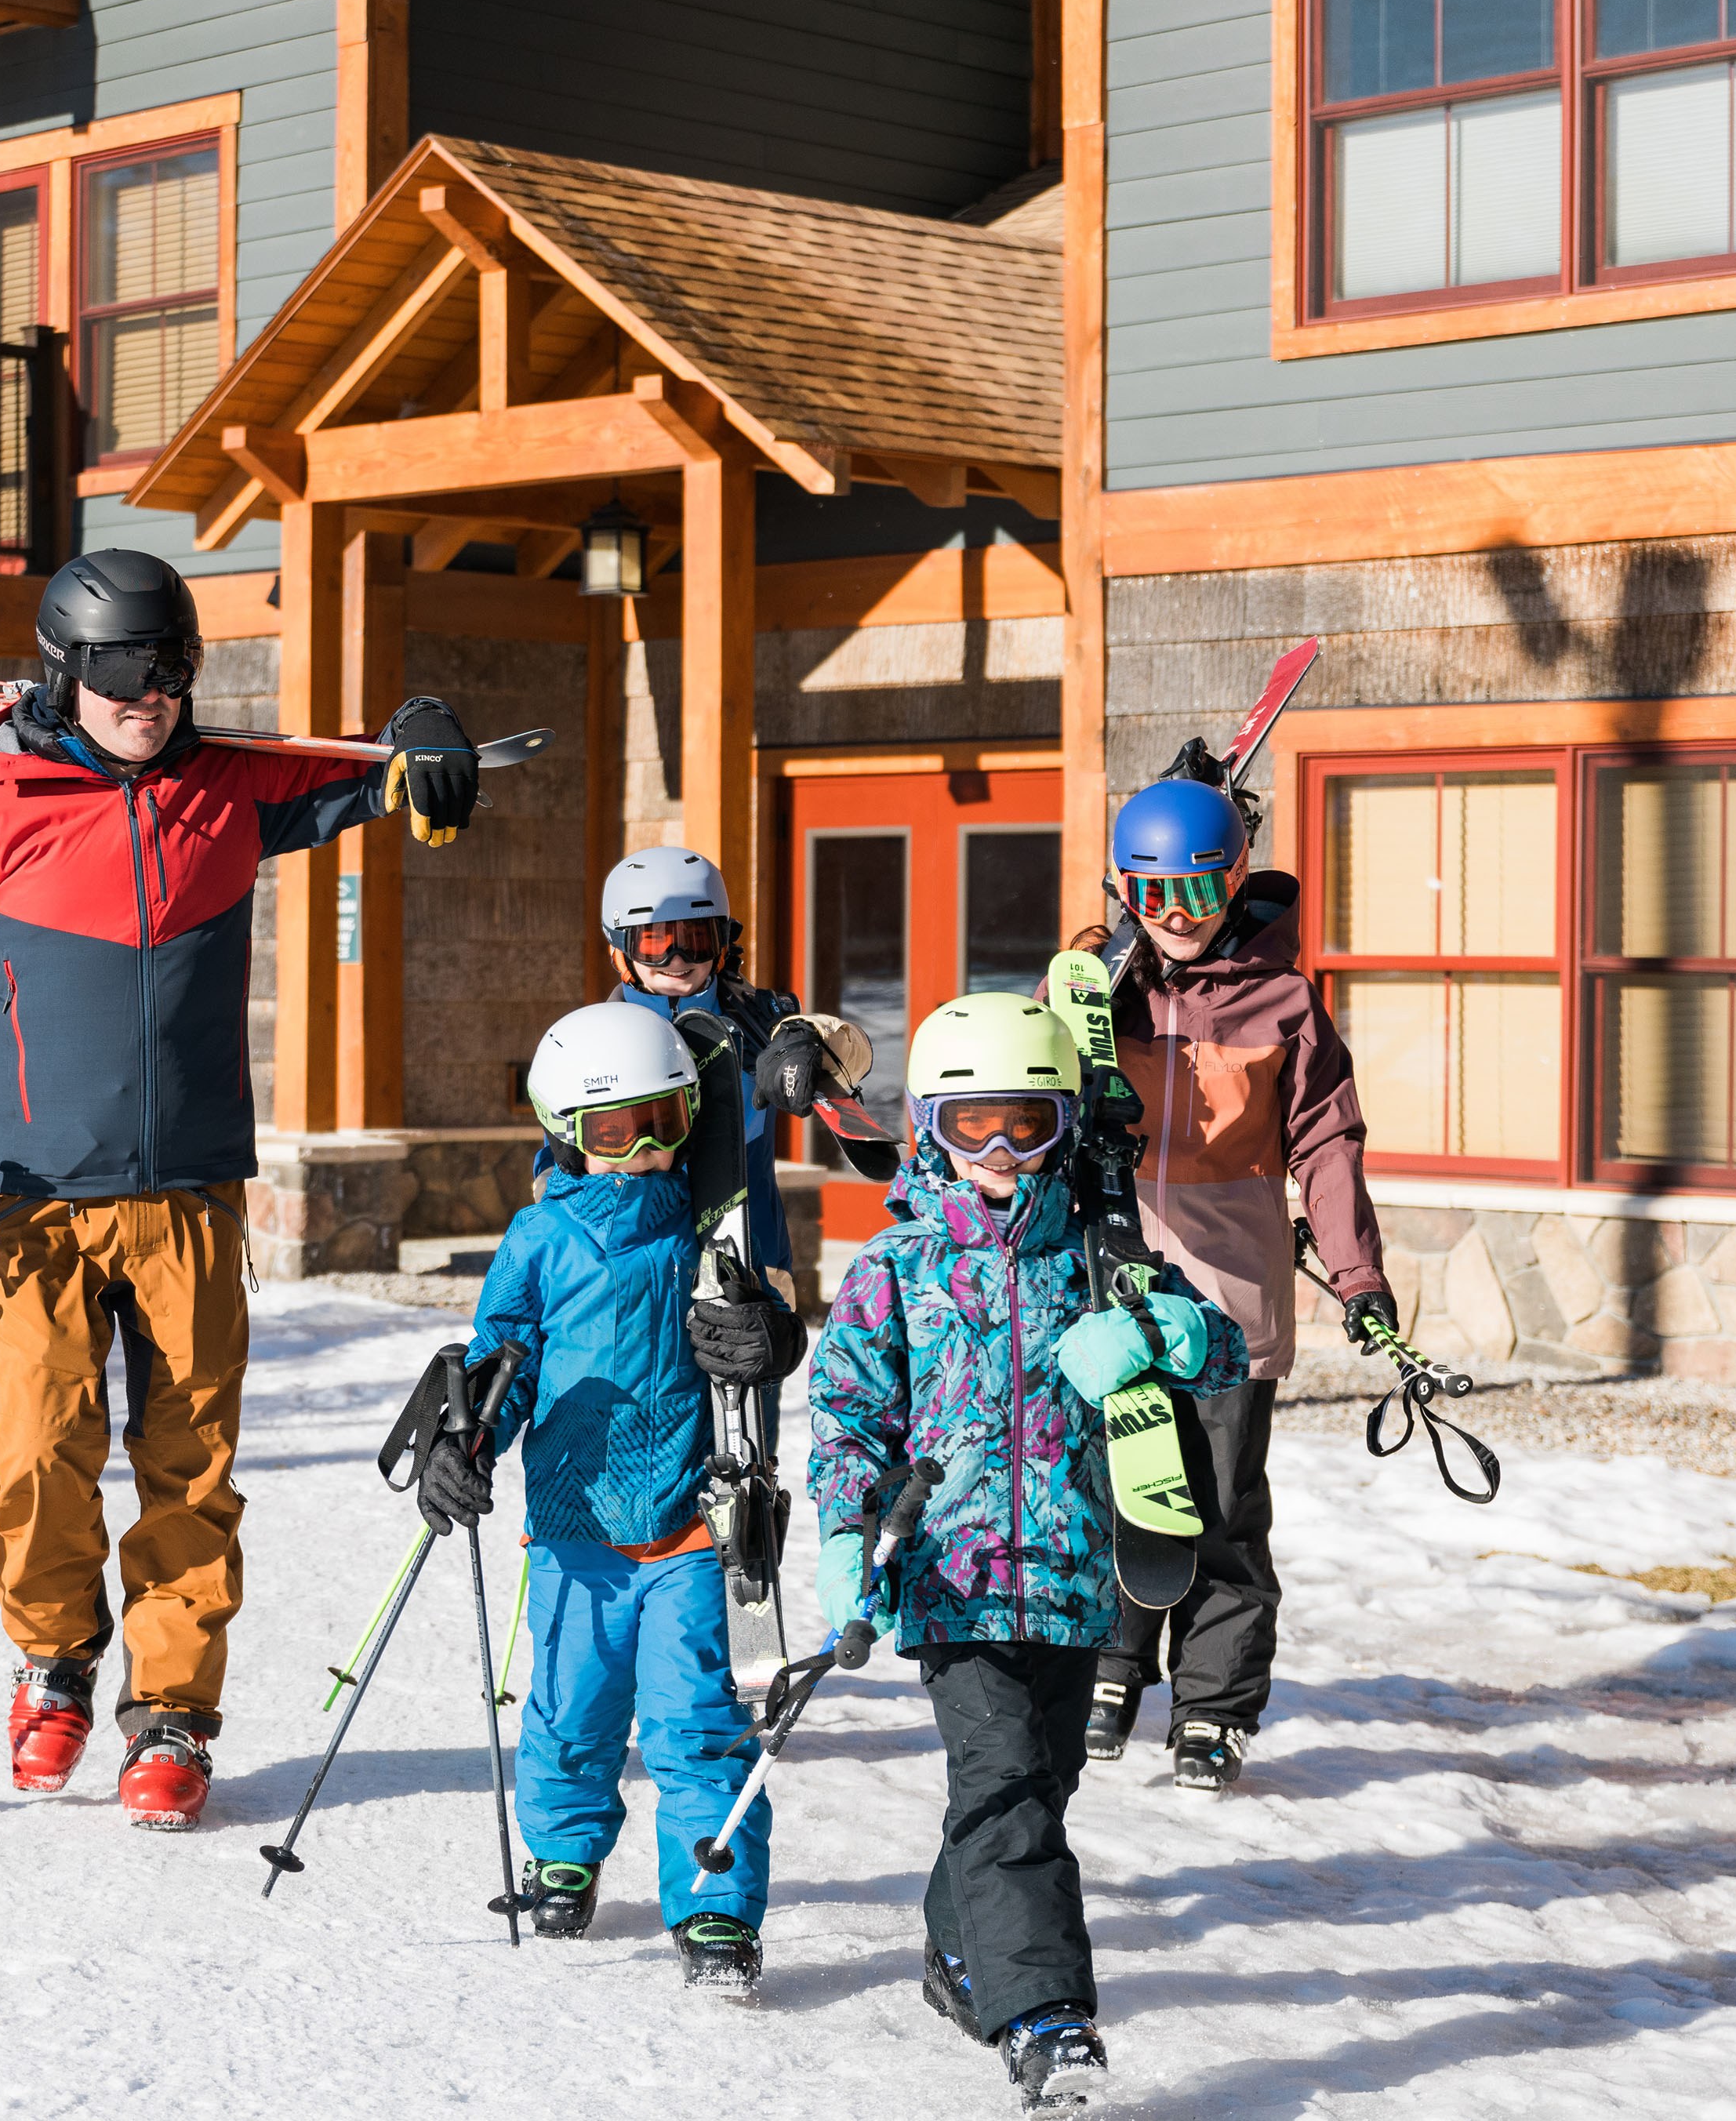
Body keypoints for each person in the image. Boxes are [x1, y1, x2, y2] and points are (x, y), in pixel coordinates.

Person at [0, 547, 485, 1832]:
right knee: (37, 1451)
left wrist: (419, 742)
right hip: (37, 1195)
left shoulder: (228, 792)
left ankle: (172, 1713)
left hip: (190, 1189)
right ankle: (54, 1660)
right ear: (66, 671)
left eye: (176, 669)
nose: (154, 696)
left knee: (191, 1468)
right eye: (127, 670)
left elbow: (369, 778)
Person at [809, 992, 1245, 2105]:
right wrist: (848, 1531)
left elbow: (1225, 1352)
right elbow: (850, 1416)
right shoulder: (894, 1267)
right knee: (1003, 1787)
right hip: (951, 1582)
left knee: (1037, 1788)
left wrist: (1153, 1329)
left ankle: (962, 1955)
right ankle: (1047, 2019)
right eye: (972, 1128)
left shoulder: (1101, 1255)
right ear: (928, 1130)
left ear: (1064, 1125)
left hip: (1074, 1580)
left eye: (1027, 1124)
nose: (1001, 1153)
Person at [422, 1001, 804, 1992]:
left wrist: (772, 1332)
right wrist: (470, 1439)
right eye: (609, 1130)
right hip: (576, 1531)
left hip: (689, 1530)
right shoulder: (540, 1238)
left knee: (697, 1728)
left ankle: (715, 1906)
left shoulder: (710, 1231)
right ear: (565, 1134)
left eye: (662, 1124)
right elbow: (506, 1357)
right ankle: (563, 1849)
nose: (639, 1152)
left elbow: (758, 1342)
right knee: (570, 1712)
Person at [1074, 776, 1392, 1792]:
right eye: (1155, 895)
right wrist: (1092, 983)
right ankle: (1110, 1668)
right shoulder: (1099, 978)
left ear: (1235, 881)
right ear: (1127, 888)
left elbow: (1329, 1141)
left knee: (1217, 1503)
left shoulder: (1284, 1001)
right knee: (1111, 1484)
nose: (1177, 917)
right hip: (1113, 1283)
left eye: (1199, 894)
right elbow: (1032, 1090)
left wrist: (1358, 1275)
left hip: (1229, 1295)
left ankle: (1212, 1705)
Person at [587, 846, 870, 1396]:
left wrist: (807, 1041)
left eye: (696, 938)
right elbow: (556, 1166)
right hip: (633, 1277)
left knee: (743, 1452)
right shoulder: (595, 1040)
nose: (676, 958)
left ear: (723, 941)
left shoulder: (759, 1019)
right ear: (619, 950)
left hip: (750, 1277)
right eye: (654, 941)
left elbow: (850, 1054)